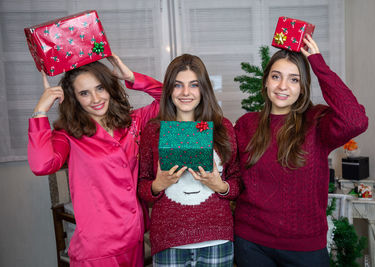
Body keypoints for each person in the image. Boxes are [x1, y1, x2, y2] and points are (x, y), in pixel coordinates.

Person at [233, 35, 368, 266]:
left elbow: (355, 120)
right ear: (265, 82)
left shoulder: (317, 121)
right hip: (250, 243)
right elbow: (232, 177)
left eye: (293, 80)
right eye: (276, 77)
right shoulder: (246, 124)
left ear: (303, 87)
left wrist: (318, 63)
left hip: (305, 248)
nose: (283, 86)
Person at [27, 54, 162, 267]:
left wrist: (131, 77)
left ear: (109, 87)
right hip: (98, 249)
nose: (96, 99)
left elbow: (171, 99)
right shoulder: (67, 135)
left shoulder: (133, 122)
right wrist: (40, 112)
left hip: (134, 237)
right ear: (74, 98)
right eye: (84, 93)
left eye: (100, 88)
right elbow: (42, 165)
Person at [138, 54, 241, 266]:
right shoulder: (154, 130)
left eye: (194, 85)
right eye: (178, 85)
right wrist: (158, 185)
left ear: (204, 89)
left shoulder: (222, 128)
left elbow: (237, 182)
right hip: (169, 241)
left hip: (216, 239)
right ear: (169, 90)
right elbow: (142, 186)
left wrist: (219, 186)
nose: (186, 92)